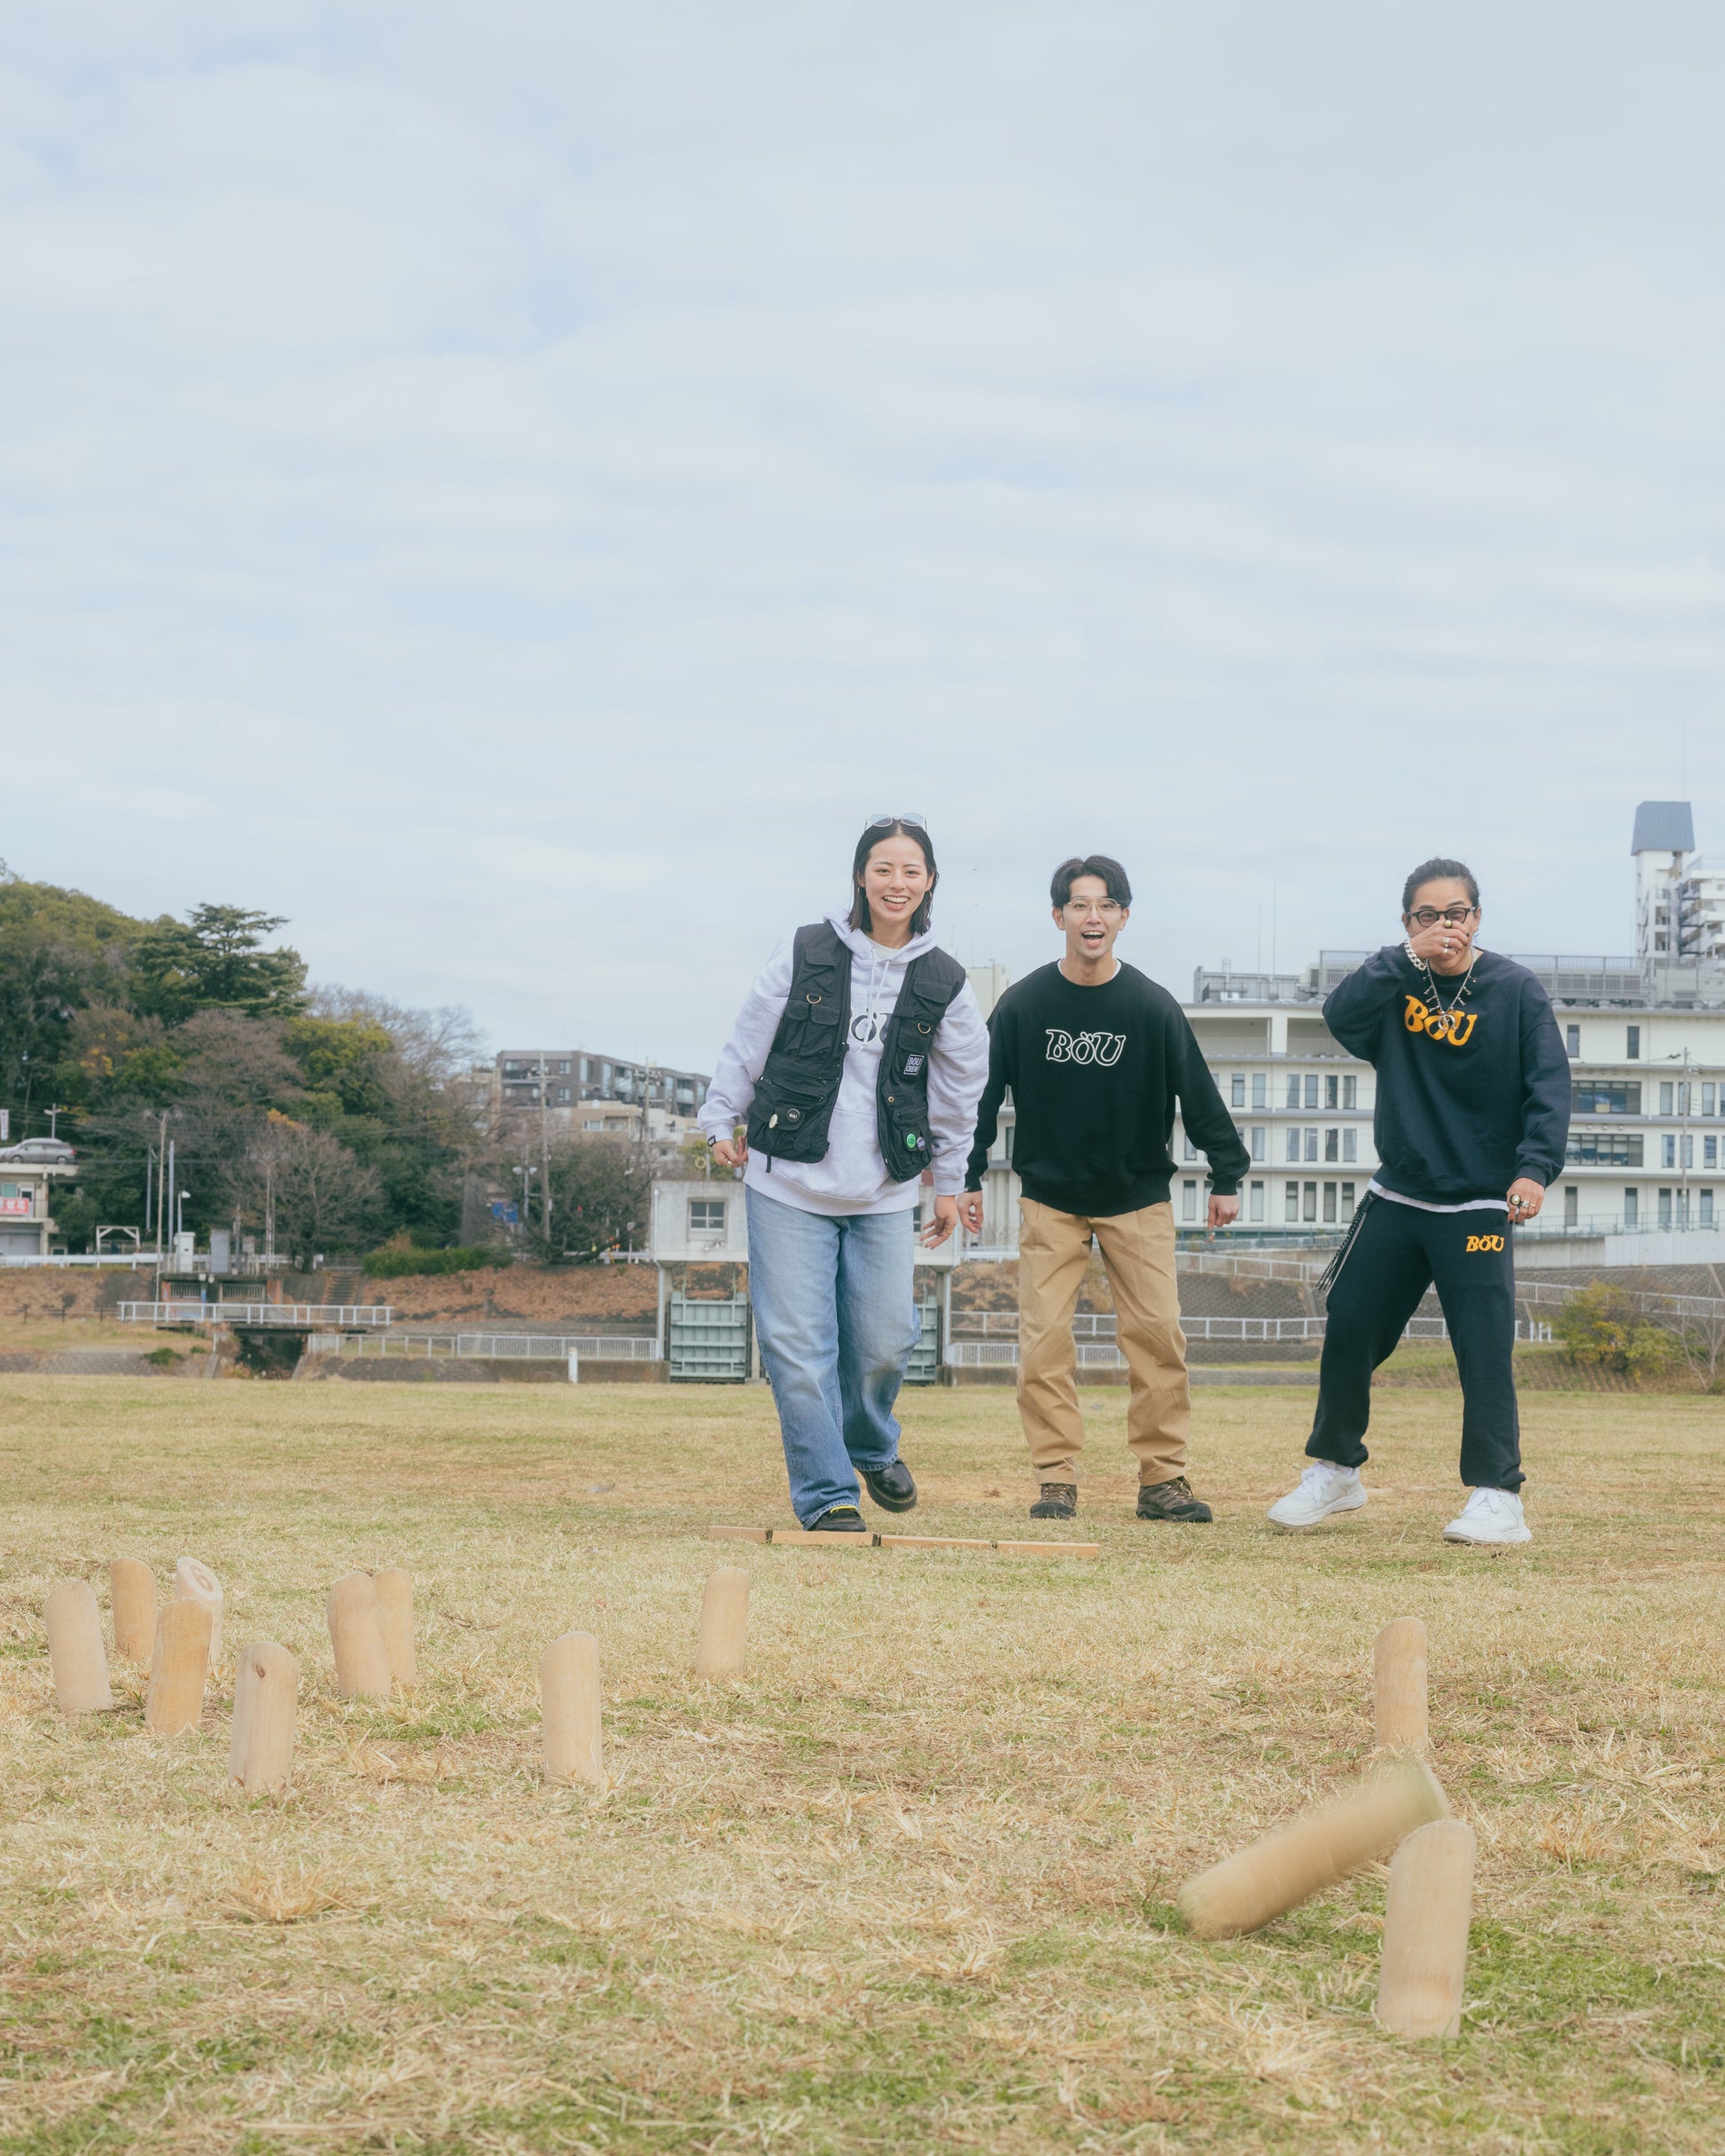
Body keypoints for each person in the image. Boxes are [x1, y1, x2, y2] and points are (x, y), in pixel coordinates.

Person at [1267, 857, 1570, 1547]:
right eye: (1426, 916)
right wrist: (1404, 957)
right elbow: (1338, 1014)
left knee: (1483, 1348)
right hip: (1399, 1192)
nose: (1444, 927)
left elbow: (1549, 1087)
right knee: (1350, 1324)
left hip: (1479, 1203)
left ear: (1477, 917)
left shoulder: (1515, 990)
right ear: (1407, 924)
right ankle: (1337, 1470)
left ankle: (1498, 1496)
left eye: (1455, 913)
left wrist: (1533, 1171)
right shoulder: (1396, 983)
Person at [700, 817, 990, 1531]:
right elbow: (749, 1037)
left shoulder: (946, 981)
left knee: (887, 1339)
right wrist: (720, 1117)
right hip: (787, 1179)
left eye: (911, 871)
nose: (897, 883)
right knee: (797, 1351)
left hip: (884, 1187)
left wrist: (949, 1183)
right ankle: (828, 1494)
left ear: (929, 882)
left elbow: (960, 1093)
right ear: (861, 876)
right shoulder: (806, 950)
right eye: (883, 868)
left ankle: (869, 1442)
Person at [956, 855, 1249, 1523]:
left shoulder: (1151, 1005)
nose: (1094, 917)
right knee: (1043, 1343)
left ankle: (1163, 1479)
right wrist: (966, 1173)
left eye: (1106, 905)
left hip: (1137, 1196)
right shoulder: (1024, 1004)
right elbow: (981, 1094)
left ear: (1123, 917)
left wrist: (1226, 1173)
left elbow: (1198, 1092)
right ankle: (1055, 1477)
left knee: (1158, 1338)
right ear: (1058, 915)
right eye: (1080, 905)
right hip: (1049, 1199)